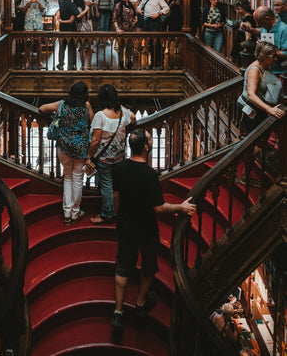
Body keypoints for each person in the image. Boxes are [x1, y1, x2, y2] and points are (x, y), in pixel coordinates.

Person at [111, 128, 196, 331]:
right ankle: (140, 303)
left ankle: (118, 312)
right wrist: (181, 207)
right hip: (146, 230)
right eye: (150, 139)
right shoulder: (149, 174)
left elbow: (116, 197)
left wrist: (120, 215)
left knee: (122, 267)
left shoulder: (119, 168)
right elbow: (159, 208)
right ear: (147, 147)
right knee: (148, 267)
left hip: (125, 227)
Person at [39, 82, 94, 224]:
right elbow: (93, 122)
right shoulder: (86, 106)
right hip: (81, 148)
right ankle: (75, 213)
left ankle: (67, 213)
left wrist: (56, 112)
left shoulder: (62, 104)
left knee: (68, 177)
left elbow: (42, 108)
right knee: (77, 179)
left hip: (64, 147)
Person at [86, 84, 136, 225]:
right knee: (116, 187)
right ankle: (117, 212)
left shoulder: (100, 116)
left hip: (104, 158)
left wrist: (89, 157)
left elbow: (95, 140)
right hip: (119, 157)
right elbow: (133, 118)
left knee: (107, 186)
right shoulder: (122, 113)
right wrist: (120, 106)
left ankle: (107, 214)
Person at [236, 41, 285, 185]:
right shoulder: (254, 70)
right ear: (263, 56)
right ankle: (243, 174)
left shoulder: (264, 67)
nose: (275, 59)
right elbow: (251, 94)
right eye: (272, 56)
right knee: (254, 145)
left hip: (258, 110)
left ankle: (246, 173)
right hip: (249, 108)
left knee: (257, 143)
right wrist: (269, 109)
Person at [241, 6, 287, 75]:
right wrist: (250, 29)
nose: (259, 25)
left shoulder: (284, 30)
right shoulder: (266, 26)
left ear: (267, 19)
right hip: (265, 69)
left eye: (259, 23)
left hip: (279, 72)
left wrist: (266, 49)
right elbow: (260, 31)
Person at [137, 0, 170, 69]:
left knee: (157, 43)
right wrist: (139, 9)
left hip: (155, 22)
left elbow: (166, 8)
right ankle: (152, 63)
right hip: (147, 21)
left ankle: (159, 64)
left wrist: (158, 14)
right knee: (150, 44)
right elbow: (139, 6)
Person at [113, 0, 137, 69]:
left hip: (130, 30)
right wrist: (117, 28)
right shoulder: (118, 5)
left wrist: (135, 20)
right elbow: (114, 18)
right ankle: (121, 63)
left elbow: (135, 15)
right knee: (121, 47)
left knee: (129, 47)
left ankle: (129, 62)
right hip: (121, 30)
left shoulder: (131, 5)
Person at [57, 0, 78, 70]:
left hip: (62, 27)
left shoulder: (61, 2)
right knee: (72, 47)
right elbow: (77, 14)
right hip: (71, 28)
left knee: (62, 46)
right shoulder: (72, 5)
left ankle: (61, 64)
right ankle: (71, 64)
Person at [231, 0, 256, 64]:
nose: (237, 11)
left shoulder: (247, 19)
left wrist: (245, 50)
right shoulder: (247, 17)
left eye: (239, 9)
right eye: (236, 9)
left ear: (245, 8)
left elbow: (248, 36)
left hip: (242, 46)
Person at [74, 0, 93, 70]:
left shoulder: (76, 8)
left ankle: (83, 65)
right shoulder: (86, 7)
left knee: (82, 47)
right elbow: (88, 17)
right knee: (89, 47)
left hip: (80, 27)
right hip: (87, 26)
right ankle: (90, 64)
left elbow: (77, 17)